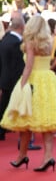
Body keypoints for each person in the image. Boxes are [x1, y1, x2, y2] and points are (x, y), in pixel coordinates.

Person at [1, 15, 56, 171]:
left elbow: (28, 66)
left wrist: (21, 84)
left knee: (25, 120)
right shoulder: (49, 43)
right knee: (46, 121)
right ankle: (48, 157)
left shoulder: (30, 43)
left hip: (33, 80)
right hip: (48, 80)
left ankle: (22, 156)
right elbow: (53, 62)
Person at [0, 14, 27, 142]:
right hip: (14, 80)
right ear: (22, 27)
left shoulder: (4, 40)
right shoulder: (17, 43)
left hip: (5, 78)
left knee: (4, 105)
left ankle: (2, 130)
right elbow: (19, 65)